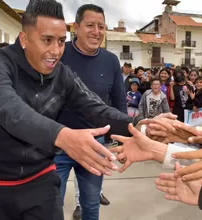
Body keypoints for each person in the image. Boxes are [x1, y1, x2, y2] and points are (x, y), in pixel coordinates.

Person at [0, 0, 138, 219]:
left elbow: (95, 107)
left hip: (42, 181)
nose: (55, 51)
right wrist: (62, 135)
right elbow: (11, 110)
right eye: (47, 40)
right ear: (24, 39)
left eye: (61, 41)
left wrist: (140, 126)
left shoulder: (62, 74)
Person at [53, 4, 127, 220]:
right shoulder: (59, 52)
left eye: (101, 26)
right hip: (59, 142)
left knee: (91, 204)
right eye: (90, 25)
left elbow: (118, 102)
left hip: (96, 144)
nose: (96, 32)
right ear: (75, 27)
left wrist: (122, 139)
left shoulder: (111, 60)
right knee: (51, 203)